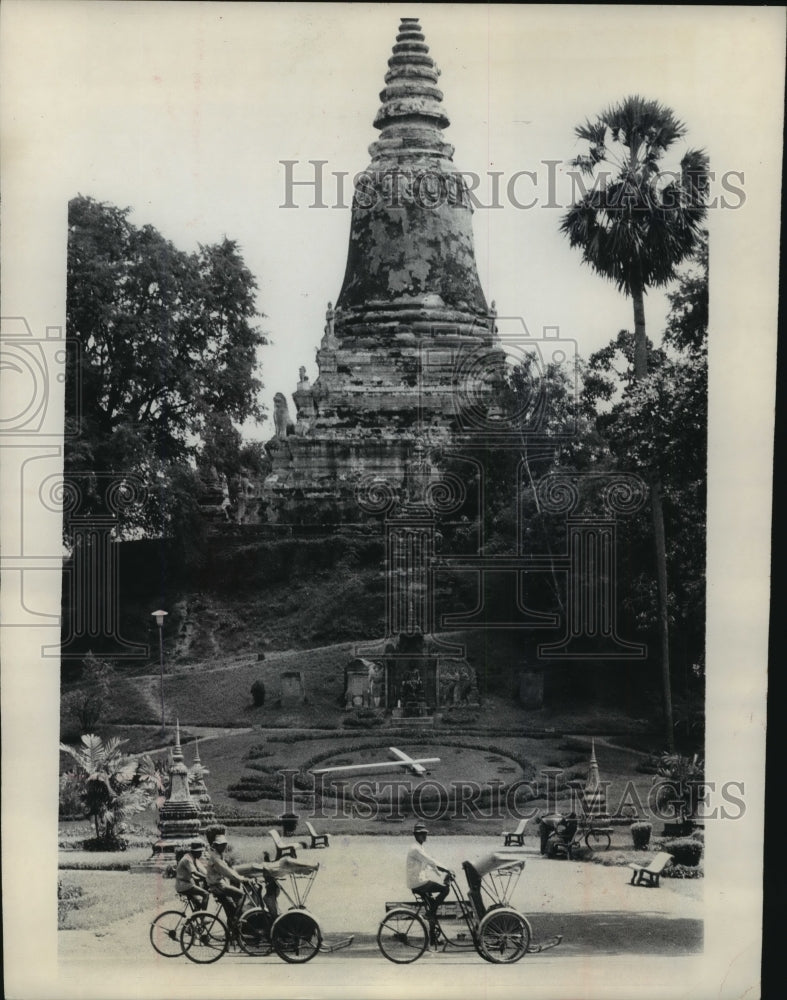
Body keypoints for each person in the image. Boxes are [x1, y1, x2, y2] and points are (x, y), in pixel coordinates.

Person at [406, 822, 453, 945]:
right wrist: (447, 869)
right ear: (416, 835)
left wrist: (441, 872)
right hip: (418, 882)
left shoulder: (419, 848)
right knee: (445, 890)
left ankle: (433, 938)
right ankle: (430, 913)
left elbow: (429, 864)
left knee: (433, 905)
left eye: (425, 833)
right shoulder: (415, 849)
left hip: (419, 882)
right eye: (421, 834)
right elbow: (430, 860)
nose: (424, 836)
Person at [205, 834, 251, 928]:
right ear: (216, 846)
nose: (224, 847)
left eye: (224, 844)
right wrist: (241, 879)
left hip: (219, 884)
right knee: (241, 894)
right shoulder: (216, 858)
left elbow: (229, 869)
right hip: (218, 886)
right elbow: (226, 872)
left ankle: (233, 923)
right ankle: (236, 920)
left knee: (231, 906)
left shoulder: (219, 855)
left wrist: (241, 876)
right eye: (221, 845)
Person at [175, 841, 209, 909]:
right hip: (184, 885)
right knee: (206, 894)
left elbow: (195, 875)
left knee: (198, 904)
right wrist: (207, 878)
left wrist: (203, 878)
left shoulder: (192, 858)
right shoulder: (188, 859)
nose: (201, 854)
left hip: (183, 884)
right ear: (194, 852)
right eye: (200, 852)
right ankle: (203, 916)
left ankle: (196, 916)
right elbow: (195, 872)